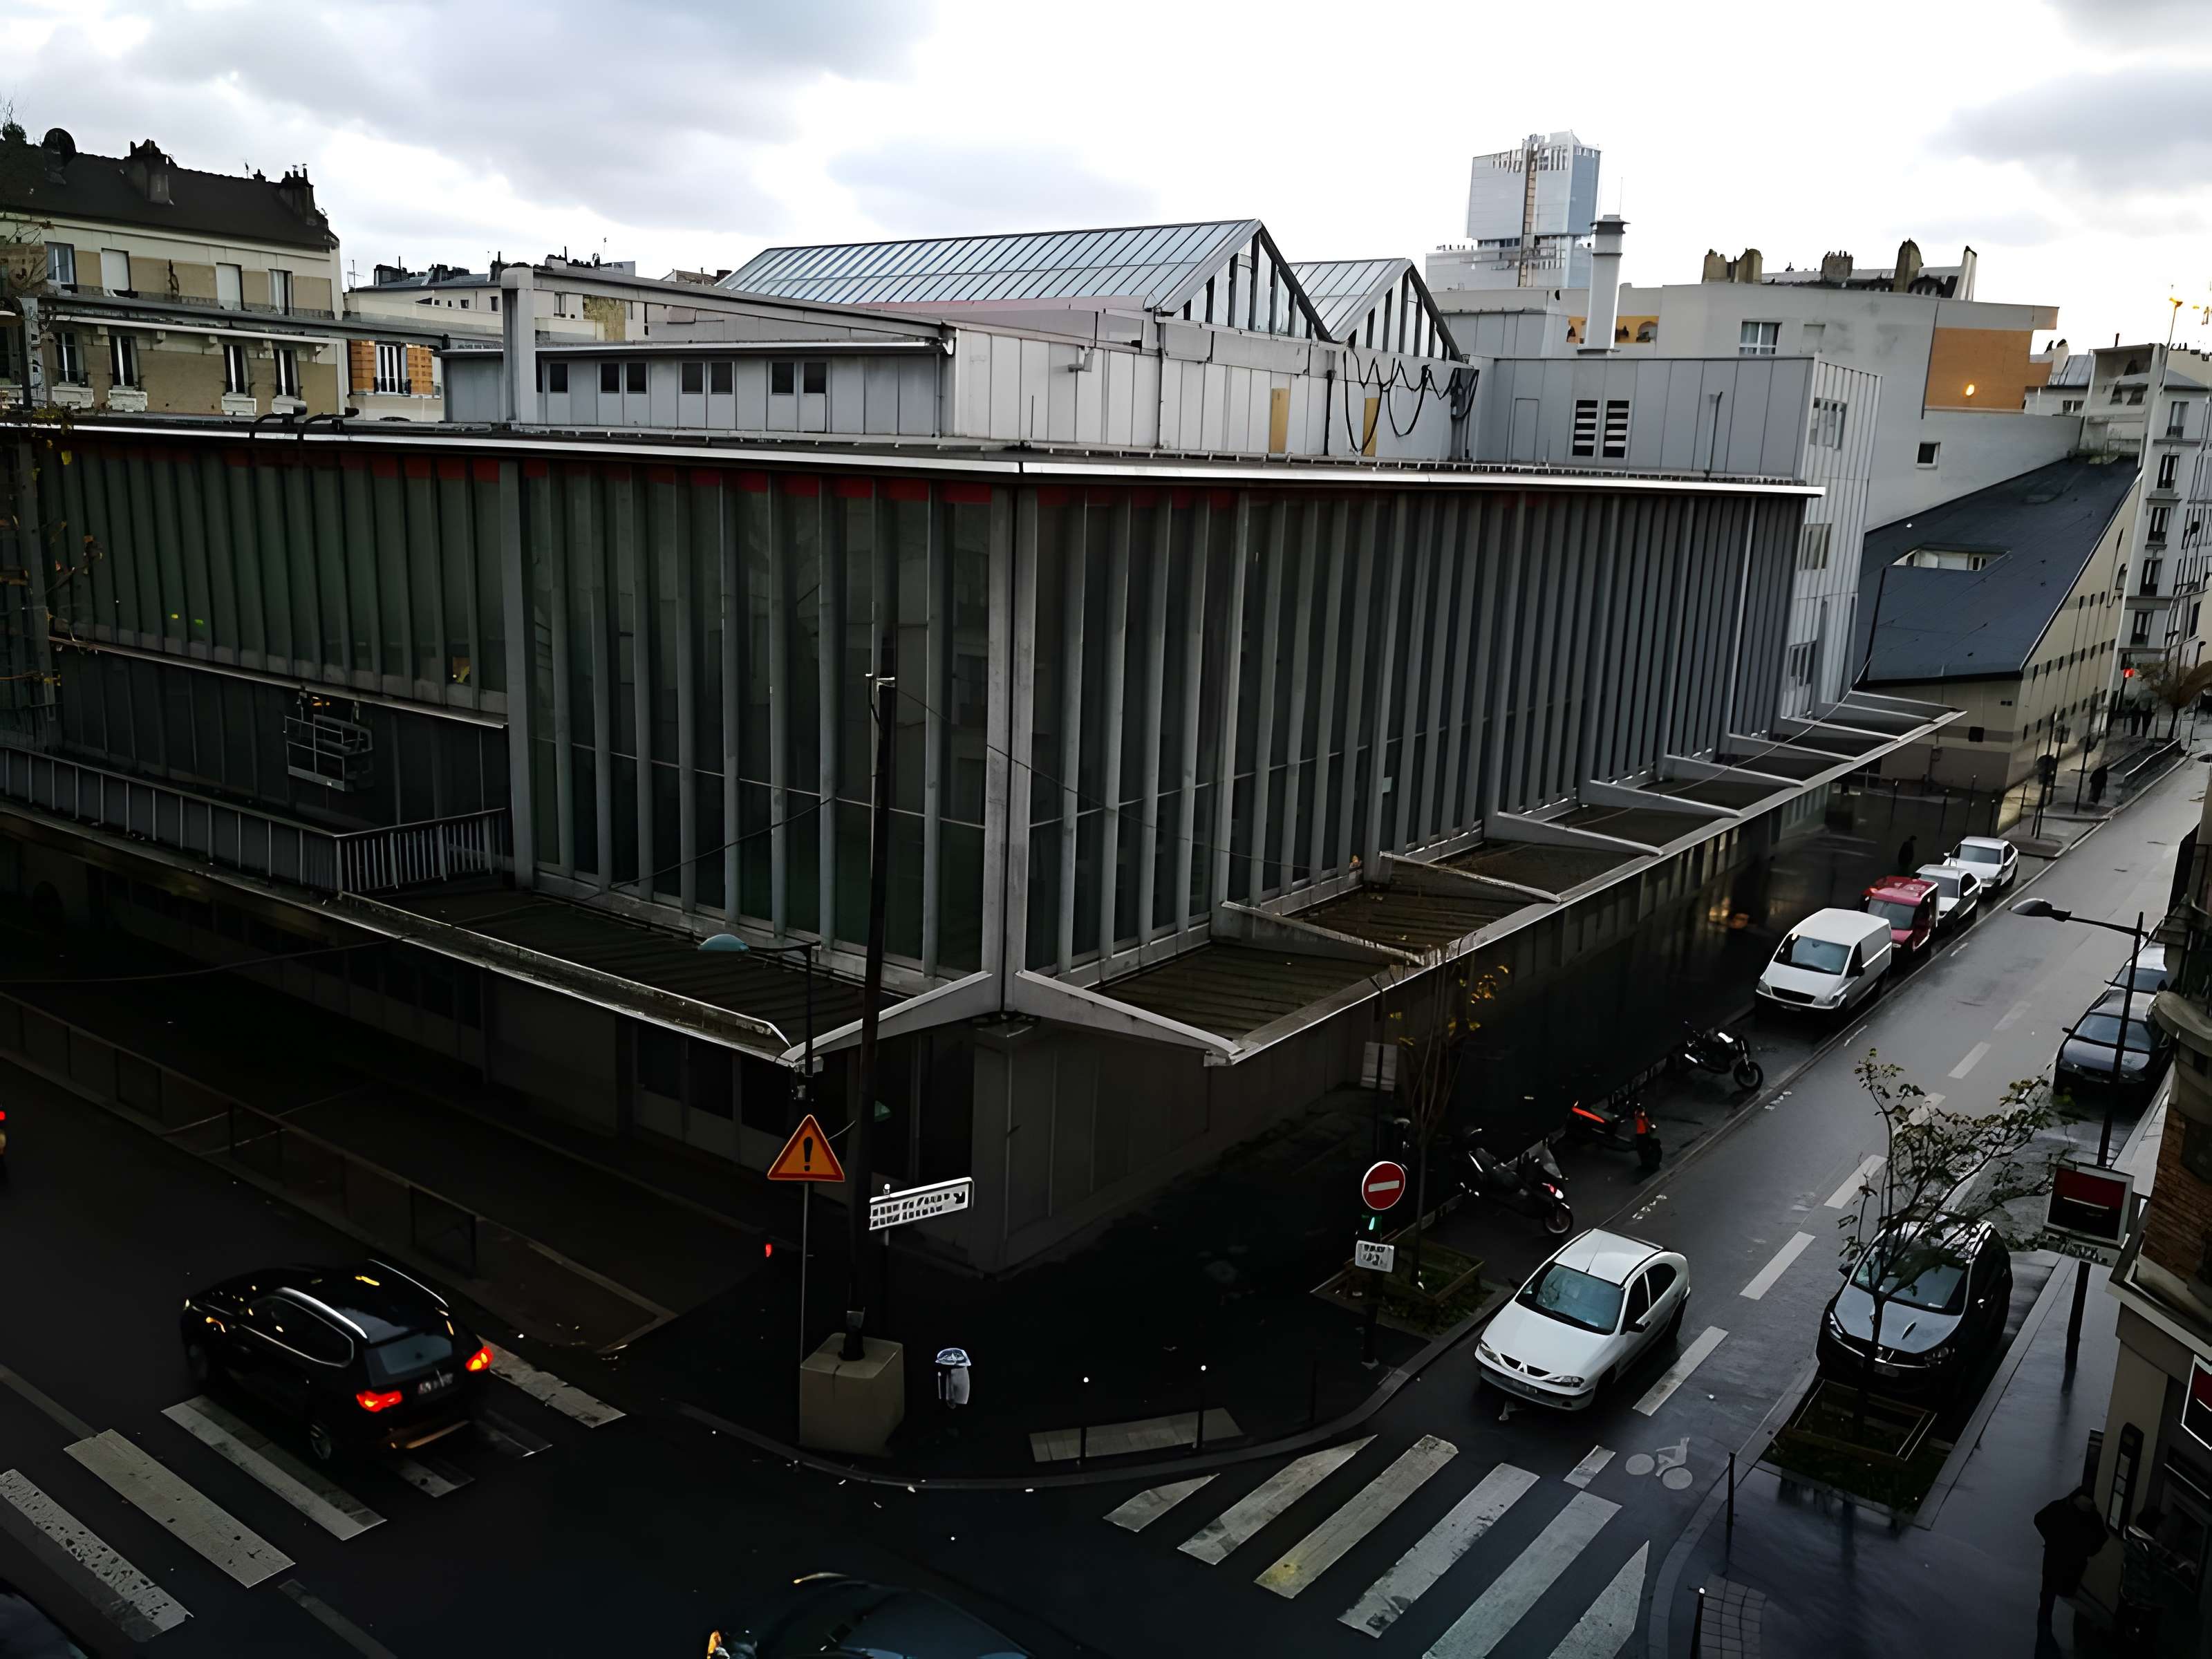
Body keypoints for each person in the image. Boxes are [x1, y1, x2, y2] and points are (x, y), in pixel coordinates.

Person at [2034, 1486, 2108, 1627]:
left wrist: (2051, 1539)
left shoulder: (2061, 1507)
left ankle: (2044, 1623)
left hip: (2053, 1556)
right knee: (2068, 1589)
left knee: (2048, 1592)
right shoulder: (2093, 1517)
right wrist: (2088, 1551)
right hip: (2076, 1561)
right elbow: (2102, 1537)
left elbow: (2039, 1519)